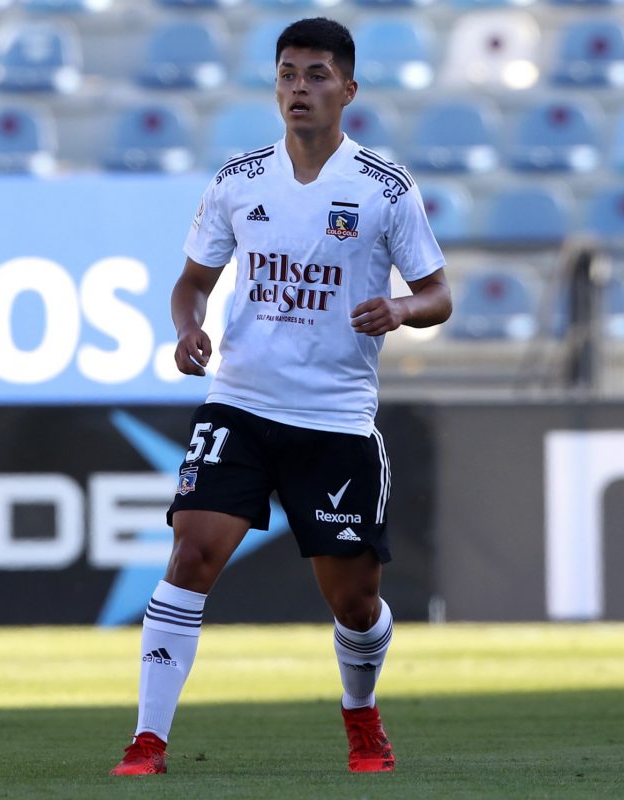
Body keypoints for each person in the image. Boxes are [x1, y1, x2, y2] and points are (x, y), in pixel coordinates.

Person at [109, 16, 452, 777]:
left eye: (317, 75)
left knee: (355, 603)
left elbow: (438, 295)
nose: (300, 88)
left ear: (349, 89)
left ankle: (361, 714)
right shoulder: (238, 180)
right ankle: (147, 741)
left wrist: (399, 309)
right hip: (239, 403)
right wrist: (188, 329)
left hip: (333, 420)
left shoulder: (384, 189)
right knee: (192, 551)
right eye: (289, 74)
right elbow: (191, 283)